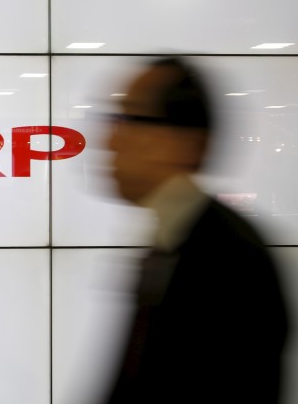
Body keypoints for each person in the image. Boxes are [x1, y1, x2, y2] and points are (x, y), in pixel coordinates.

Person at [102, 57, 289, 404]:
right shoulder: (167, 240)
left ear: (185, 142)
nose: (110, 139)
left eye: (128, 119)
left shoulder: (231, 257)